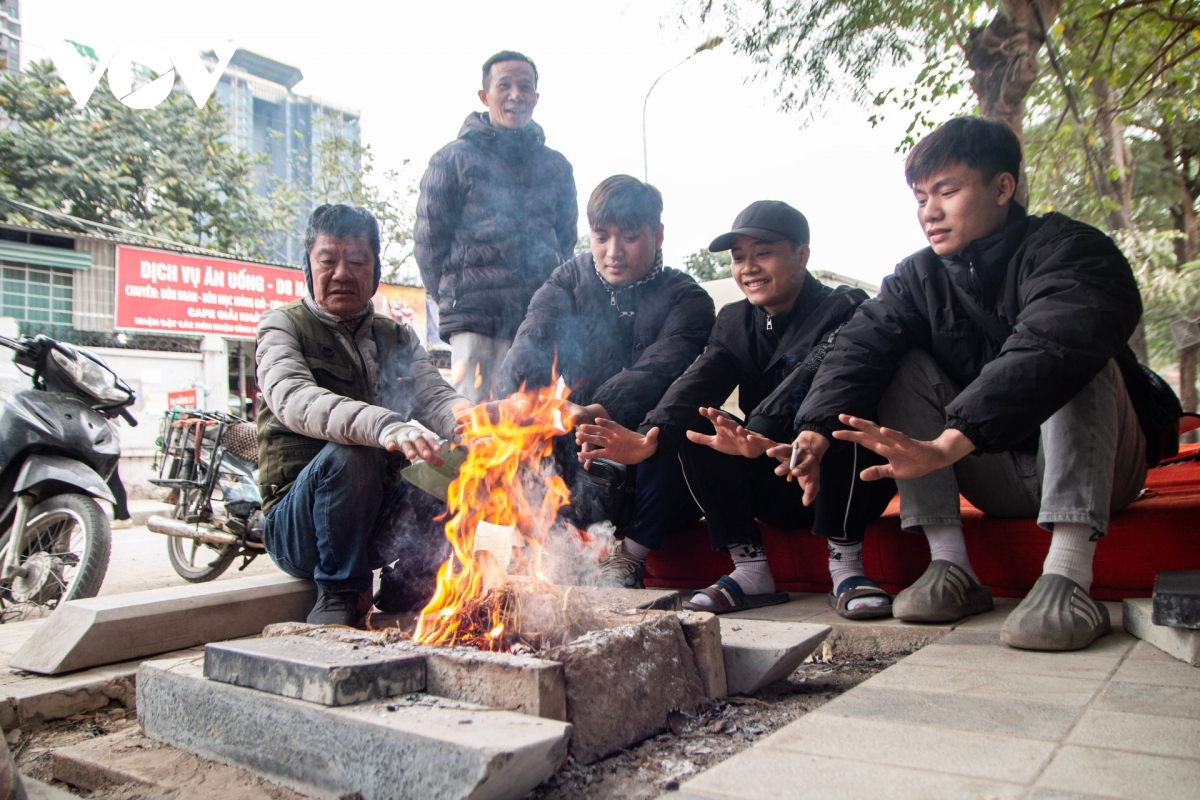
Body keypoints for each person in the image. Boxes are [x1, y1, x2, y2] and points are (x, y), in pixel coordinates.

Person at [785, 116, 1176, 651]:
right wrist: (813, 430)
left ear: (1002, 187)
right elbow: (860, 345)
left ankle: (1068, 574)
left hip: (1103, 472)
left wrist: (951, 438)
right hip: (992, 473)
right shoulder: (915, 277)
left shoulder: (1072, 248)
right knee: (901, 361)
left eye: (947, 192)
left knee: (1073, 355)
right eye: (921, 198)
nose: (930, 212)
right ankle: (951, 566)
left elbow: (1051, 342)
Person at [575, 201, 896, 616]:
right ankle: (750, 570)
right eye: (739, 258)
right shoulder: (735, 320)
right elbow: (698, 379)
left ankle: (847, 568)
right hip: (769, 474)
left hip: (842, 478)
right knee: (696, 423)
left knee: (841, 419)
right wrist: (650, 434)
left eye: (763, 253)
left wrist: (763, 432)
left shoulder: (846, 307)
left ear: (802, 254)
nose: (749, 269)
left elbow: (824, 377)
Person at [495, 175, 715, 587]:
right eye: (601, 237)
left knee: (673, 429)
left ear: (658, 235)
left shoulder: (689, 299)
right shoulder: (567, 280)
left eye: (629, 237)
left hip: (650, 460)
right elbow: (533, 337)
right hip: (579, 448)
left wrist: (601, 410)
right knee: (527, 431)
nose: (612, 253)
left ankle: (630, 557)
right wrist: (516, 399)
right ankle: (554, 548)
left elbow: (663, 367)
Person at [256, 204, 467, 627]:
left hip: (374, 524)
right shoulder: (282, 326)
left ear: (374, 271)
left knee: (457, 462)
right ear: (308, 267)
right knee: (355, 452)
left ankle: (411, 581)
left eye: (356, 262)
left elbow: (437, 397)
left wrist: (476, 426)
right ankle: (342, 592)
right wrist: (385, 426)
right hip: (299, 530)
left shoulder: (396, 335)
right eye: (328, 261)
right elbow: (297, 399)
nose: (342, 274)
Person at [415, 50, 578, 403]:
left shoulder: (557, 168)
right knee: (477, 427)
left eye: (525, 87)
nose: (515, 95)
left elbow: (566, 244)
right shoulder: (452, 159)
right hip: (476, 324)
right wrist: (457, 297)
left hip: (537, 324)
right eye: (504, 85)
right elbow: (429, 245)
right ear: (484, 95)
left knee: (533, 430)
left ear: (536, 98)